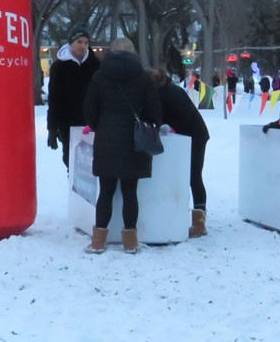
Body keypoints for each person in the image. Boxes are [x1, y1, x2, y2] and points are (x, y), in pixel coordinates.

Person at [83, 38, 162, 254]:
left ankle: (98, 241)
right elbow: (155, 112)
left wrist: (101, 124)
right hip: (134, 142)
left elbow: (89, 110)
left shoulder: (100, 77)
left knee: (106, 192)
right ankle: (130, 242)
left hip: (107, 140)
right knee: (130, 192)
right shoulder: (144, 78)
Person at [150, 69, 211, 238]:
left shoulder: (161, 95)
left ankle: (199, 223)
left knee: (193, 177)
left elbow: (158, 117)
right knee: (194, 177)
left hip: (194, 135)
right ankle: (198, 220)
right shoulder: (172, 89)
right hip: (196, 133)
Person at [46, 22, 101, 170]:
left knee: (94, 164)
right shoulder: (59, 67)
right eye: (79, 42)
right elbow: (54, 99)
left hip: (93, 123)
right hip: (68, 124)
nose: (83, 46)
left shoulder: (96, 65)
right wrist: (52, 127)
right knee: (71, 162)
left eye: (86, 42)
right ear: (71, 42)